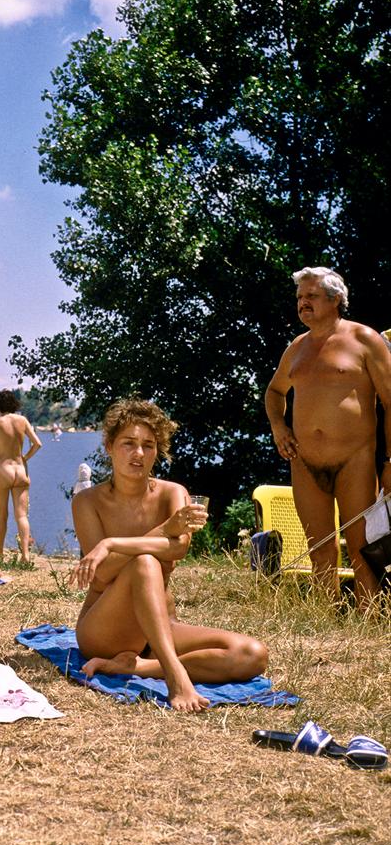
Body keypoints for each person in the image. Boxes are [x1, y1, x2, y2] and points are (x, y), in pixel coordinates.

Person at [71, 399, 267, 713]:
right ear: (109, 447)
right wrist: (164, 529)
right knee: (145, 562)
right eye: (128, 443)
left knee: (252, 654)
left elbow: (178, 549)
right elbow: (103, 574)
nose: (138, 453)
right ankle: (176, 674)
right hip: (105, 629)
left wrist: (112, 544)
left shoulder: (173, 493)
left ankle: (140, 667)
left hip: (160, 624)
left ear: (157, 451)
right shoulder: (87, 501)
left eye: (148, 446)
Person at [265, 267, 391, 605]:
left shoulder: (365, 339)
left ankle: (369, 621)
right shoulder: (296, 347)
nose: (302, 303)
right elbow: (274, 392)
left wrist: (390, 462)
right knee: (319, 549)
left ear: (336, 300)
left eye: (311, 296)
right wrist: (279, 427)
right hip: (304, 462)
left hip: (356, 461)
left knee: (363, 550)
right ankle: (325, 619)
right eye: (299, 297)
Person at [0, 389, 42, 563]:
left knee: (1, 515)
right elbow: (37, 444)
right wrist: (24, 458)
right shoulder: (22, 420)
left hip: (3, 469)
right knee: (22, 515)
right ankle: (25, 555)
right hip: (21, 469)